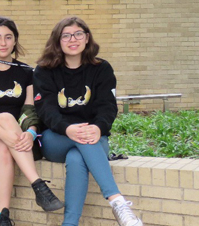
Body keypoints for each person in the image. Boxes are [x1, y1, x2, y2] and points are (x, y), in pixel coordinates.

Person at [34, 16, 142, 226]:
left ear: (87, 38)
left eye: (78, 34)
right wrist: (68, 129)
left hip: (94, 135)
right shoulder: (44, 71)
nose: (72, 39)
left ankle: (69, 224)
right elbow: (45, 110)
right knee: (83, 141)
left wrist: (97, 127)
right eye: (66, 35)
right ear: (57, 41)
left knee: (76, 158)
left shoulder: (101, 68)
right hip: (56, 138)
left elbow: (108, 107)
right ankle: (117, 202)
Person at [0, 16, 63, 226]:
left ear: (15, 40)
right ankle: (38, 185)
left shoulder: (27, 72)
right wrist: (9, 134)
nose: (3, 43)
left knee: (3, 148)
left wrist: (30, 133)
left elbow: (29, 110)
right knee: (7, 118)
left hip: (14, 138)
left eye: (8, 37)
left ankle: (3, 217)